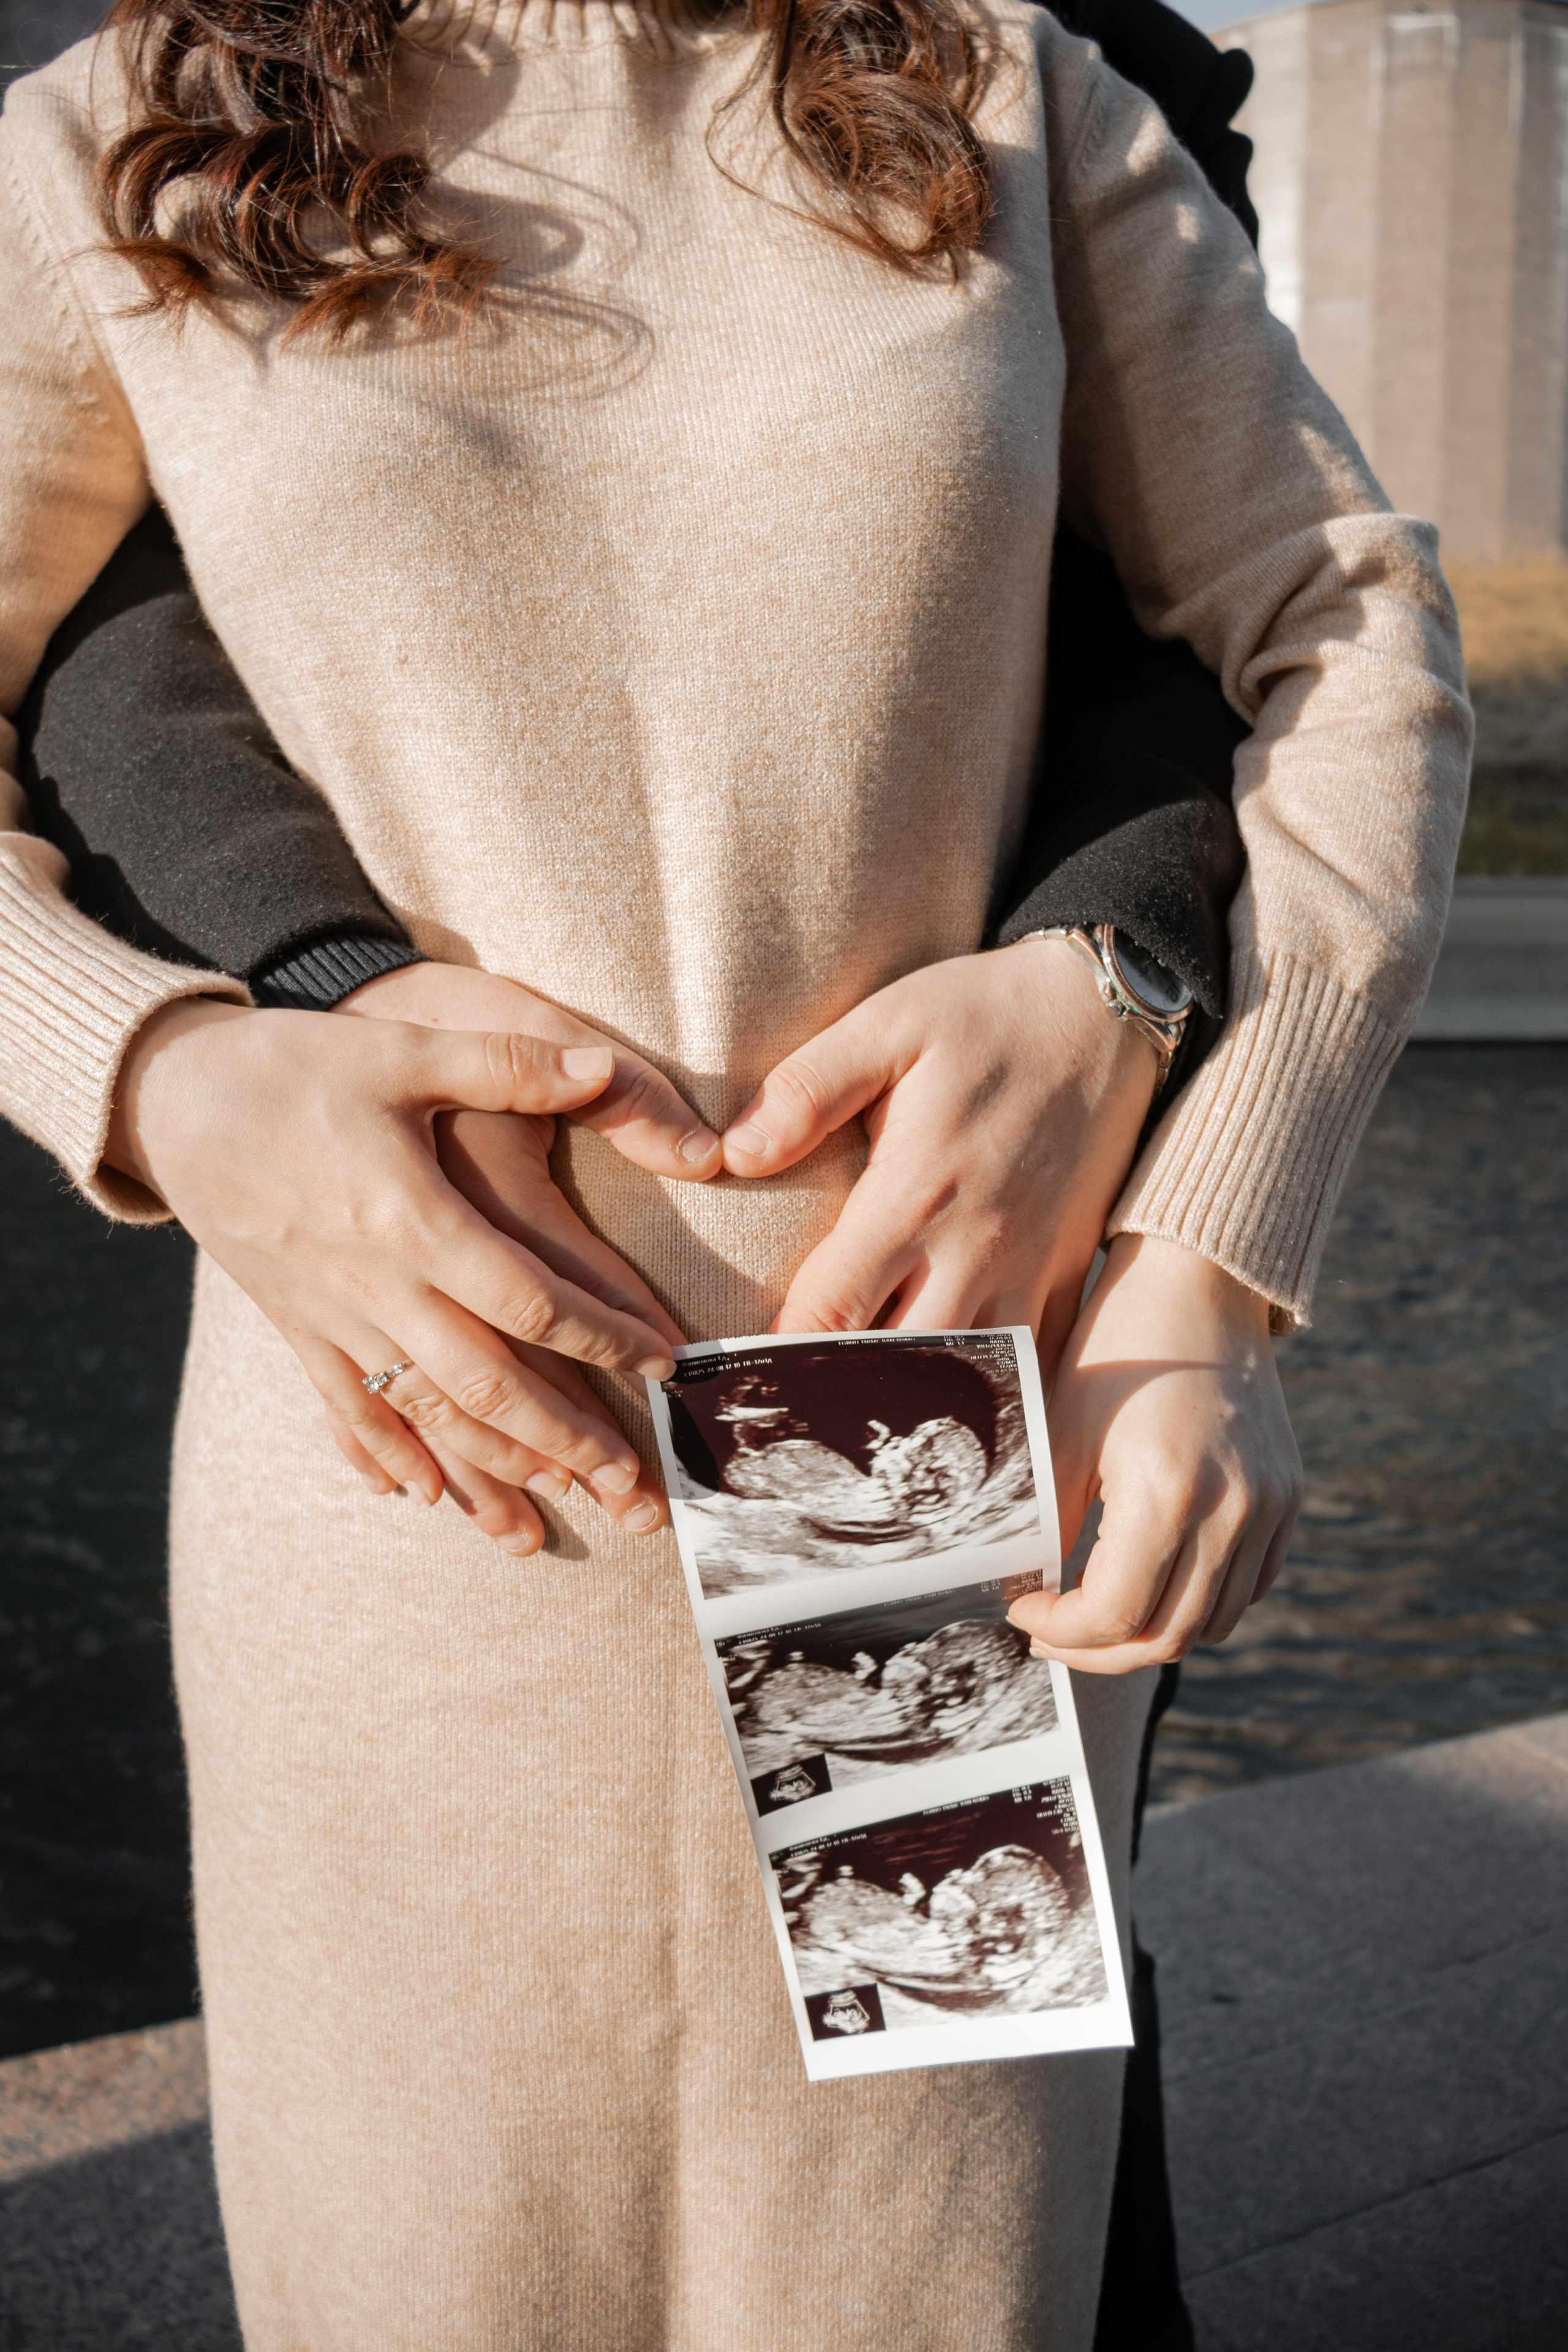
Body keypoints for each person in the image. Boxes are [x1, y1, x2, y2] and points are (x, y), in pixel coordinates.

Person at [0, 1, 1469, 2346]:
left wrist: (1205, 1262)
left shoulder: (1000, 83)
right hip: (416, 1432)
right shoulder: (111, 133)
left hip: (890, 1431)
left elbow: (1347, 626)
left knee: (919, 2293)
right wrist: (161, 1066)